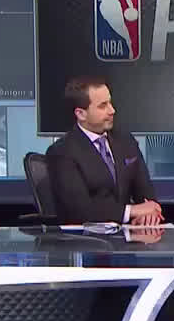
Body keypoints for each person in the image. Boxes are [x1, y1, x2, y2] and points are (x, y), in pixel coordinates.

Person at [47, 76, 163, 225]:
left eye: (110, 102)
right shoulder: (62, 152)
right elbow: (79, 210)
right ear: (81, 114)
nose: (112, 110)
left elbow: (147, 196)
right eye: (103, 106)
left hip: (130, 234)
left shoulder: (126, 141)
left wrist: (149, 214)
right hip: (84, 237)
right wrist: (131, 212)